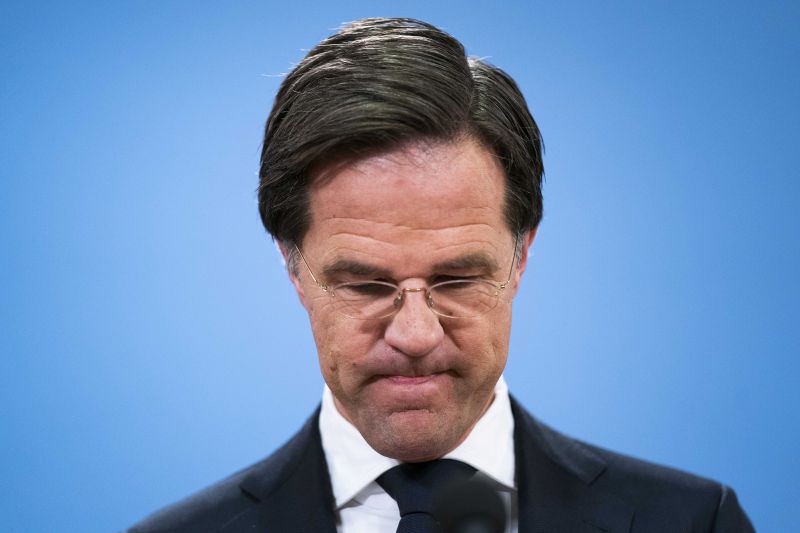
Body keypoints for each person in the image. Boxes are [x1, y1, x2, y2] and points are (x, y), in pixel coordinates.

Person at [128, 17, 754, 533]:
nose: (416, 335)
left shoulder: (695, 522)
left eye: (458, 279)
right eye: (364, 284)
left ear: (521, 257)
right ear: (292, 266)